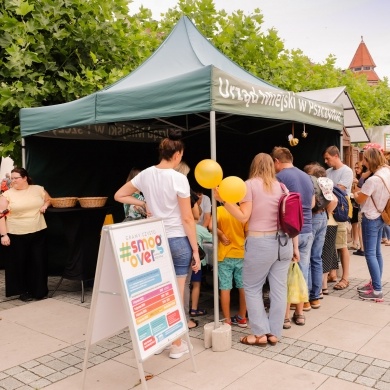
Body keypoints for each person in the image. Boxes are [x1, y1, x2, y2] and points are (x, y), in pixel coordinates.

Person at [114, 131, 200, 359]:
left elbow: (119, 195)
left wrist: (141, 203)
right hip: (177, 239)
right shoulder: (178, 178)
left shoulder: (145, 175)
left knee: (158, 292)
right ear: (178, 154)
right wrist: (195, 250)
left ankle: (162, 339)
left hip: (154, 241)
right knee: (177, 293)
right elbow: (187, 218)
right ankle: (176, 344)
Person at [215, 153, 299, 347]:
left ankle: (260, 333)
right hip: (284, 242)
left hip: (260, 242)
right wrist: (295, 246)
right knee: (279, 289)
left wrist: (223, 200)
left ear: (253, 166)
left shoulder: (249, 185)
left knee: (252, 287)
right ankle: (274, 333)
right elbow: (291, 219)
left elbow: (243, 217)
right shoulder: (282, 187)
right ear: (272, 166)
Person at [272, 147, 314, 327]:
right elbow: (311, 203)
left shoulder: (280, 178)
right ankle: (300, 312)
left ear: (276, 161)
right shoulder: (307, 176)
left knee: (286, 274)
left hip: (290, 231)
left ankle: (285, 317)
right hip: (308, 228)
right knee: (301, 272)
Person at [0, 168, 51, 301]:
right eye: (12, 178)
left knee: (39, 262)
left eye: (16, 177)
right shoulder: (7, 195)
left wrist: (45, 205)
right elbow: (0, 215)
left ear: (25, 178)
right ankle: (24, 291)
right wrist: (4, 235)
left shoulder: (38, 189)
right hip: (16, 233)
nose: (13, 180)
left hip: (38, 231)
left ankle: (40, 291)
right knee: (21, 263)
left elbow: (49, 199)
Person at [353, 147, 390, 301]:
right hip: (382, 214)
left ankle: (377, 290)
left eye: (364, 159)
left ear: (369, 160)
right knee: (377, 253)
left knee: (369, 254)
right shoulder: (386, 172)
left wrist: (355, 192)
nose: (362, 162)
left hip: (371, 216)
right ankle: (375, 284)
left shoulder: (374, 180)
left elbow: (360, 199)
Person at [323, 146, 353, 291]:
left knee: (342, 246)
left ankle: (345, 277)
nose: (326, 161)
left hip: (340, 212)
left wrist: (326, 187)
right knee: (330, 245)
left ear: (336, 156)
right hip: (329, 212)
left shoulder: (347, 171)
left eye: (328, 158)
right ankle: (332, 273)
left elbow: (339, 189)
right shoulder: (328, 172)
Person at [213, 202, 246, 327]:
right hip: (241, 253)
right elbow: (247, 233)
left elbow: (211, 226)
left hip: (224, 254)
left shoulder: (220, 210)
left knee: (225, 287)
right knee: (243, 286)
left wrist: (221, 234)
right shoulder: (242, 211)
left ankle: (227, 320)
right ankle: (242, 317)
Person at [303, 163, 331, 309]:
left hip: (312, 218)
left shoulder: (310, 182)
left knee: (306, 259)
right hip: (323, 217)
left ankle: (306, 298)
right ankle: (315, 296)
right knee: (316, 258)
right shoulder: (325, 182)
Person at [349, 162, 364, 254]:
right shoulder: (357, 178)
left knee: (359, 225)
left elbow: (360, 191)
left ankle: (361, 247)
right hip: (354, 203)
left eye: (358, 168)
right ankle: (355, 242)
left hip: (359, 204)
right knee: (354, 222)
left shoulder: (363, 179)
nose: (356, 169)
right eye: (355, 168)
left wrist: (357, 183)